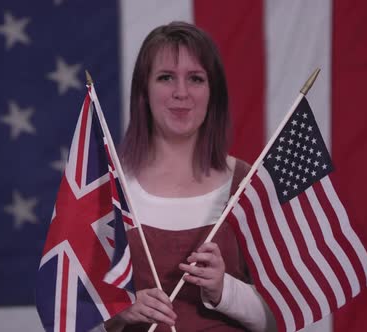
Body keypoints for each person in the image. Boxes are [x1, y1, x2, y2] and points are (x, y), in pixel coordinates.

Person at [103, 21, 275, 332]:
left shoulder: (248, 184)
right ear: (144, 90)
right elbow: (66, 314)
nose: (181, 92)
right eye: (166, 77)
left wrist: (224, 291)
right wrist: (117, 309)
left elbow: (281, 317)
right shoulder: (107, 189)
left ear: (213, 93)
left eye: (195, 78)